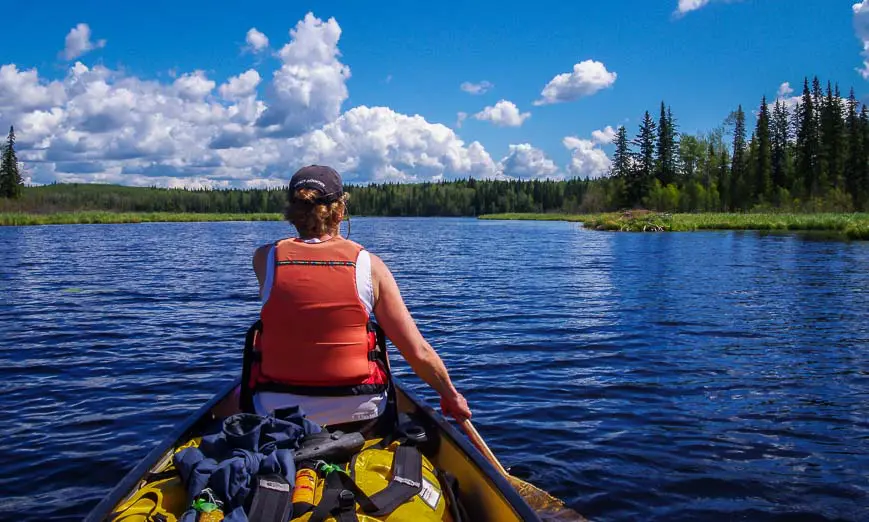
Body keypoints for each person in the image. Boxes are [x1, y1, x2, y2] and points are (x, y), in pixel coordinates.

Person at [250, 165, 471, 432]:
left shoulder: (264, 259)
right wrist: (450, 395)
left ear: (292, 213)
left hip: (277, 410)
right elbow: (417, 351)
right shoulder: (370, 266)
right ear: (340, 211)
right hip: (359, 414)